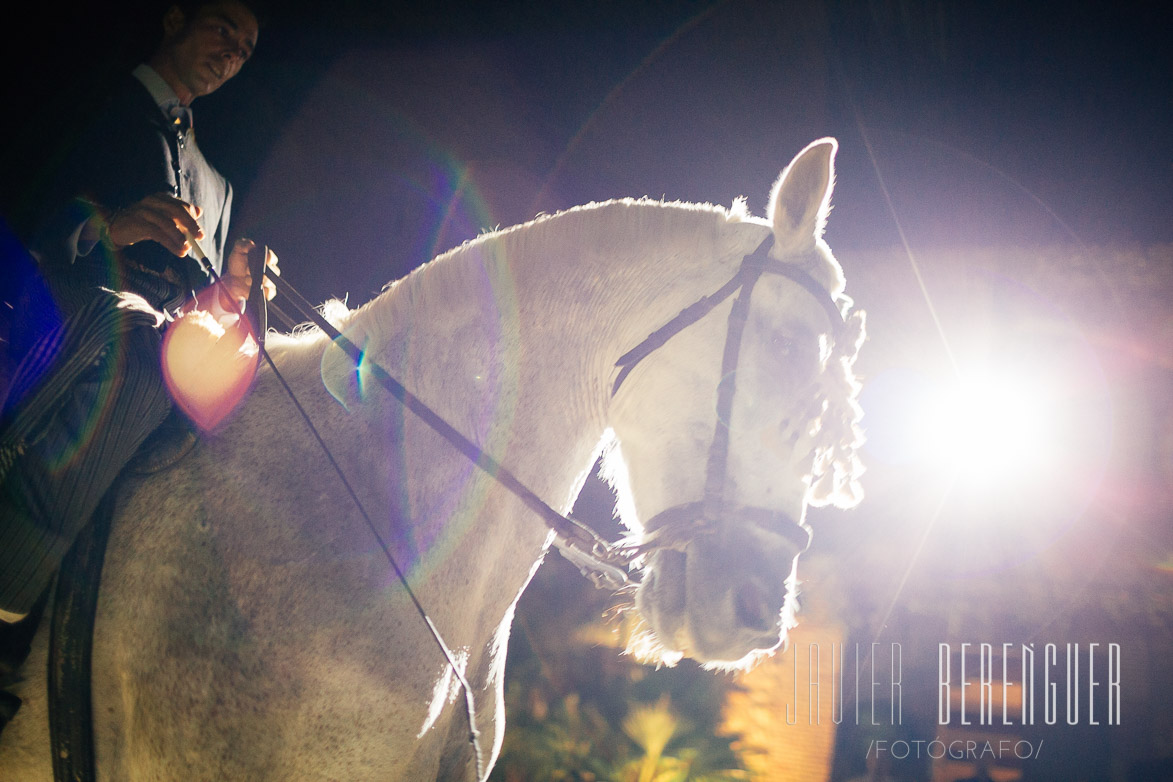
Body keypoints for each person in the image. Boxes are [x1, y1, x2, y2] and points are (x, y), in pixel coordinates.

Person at [0, 0, 263, 654]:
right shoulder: (86, 100)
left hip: (149, 345)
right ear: (175, 18)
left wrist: (231, 292)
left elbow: (197, 317)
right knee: (137, 348)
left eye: (246, 50)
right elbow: (21, 200)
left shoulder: (219, 187)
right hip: (55, 308)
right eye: (222, 28)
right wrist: (104, 228)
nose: (231, 52)